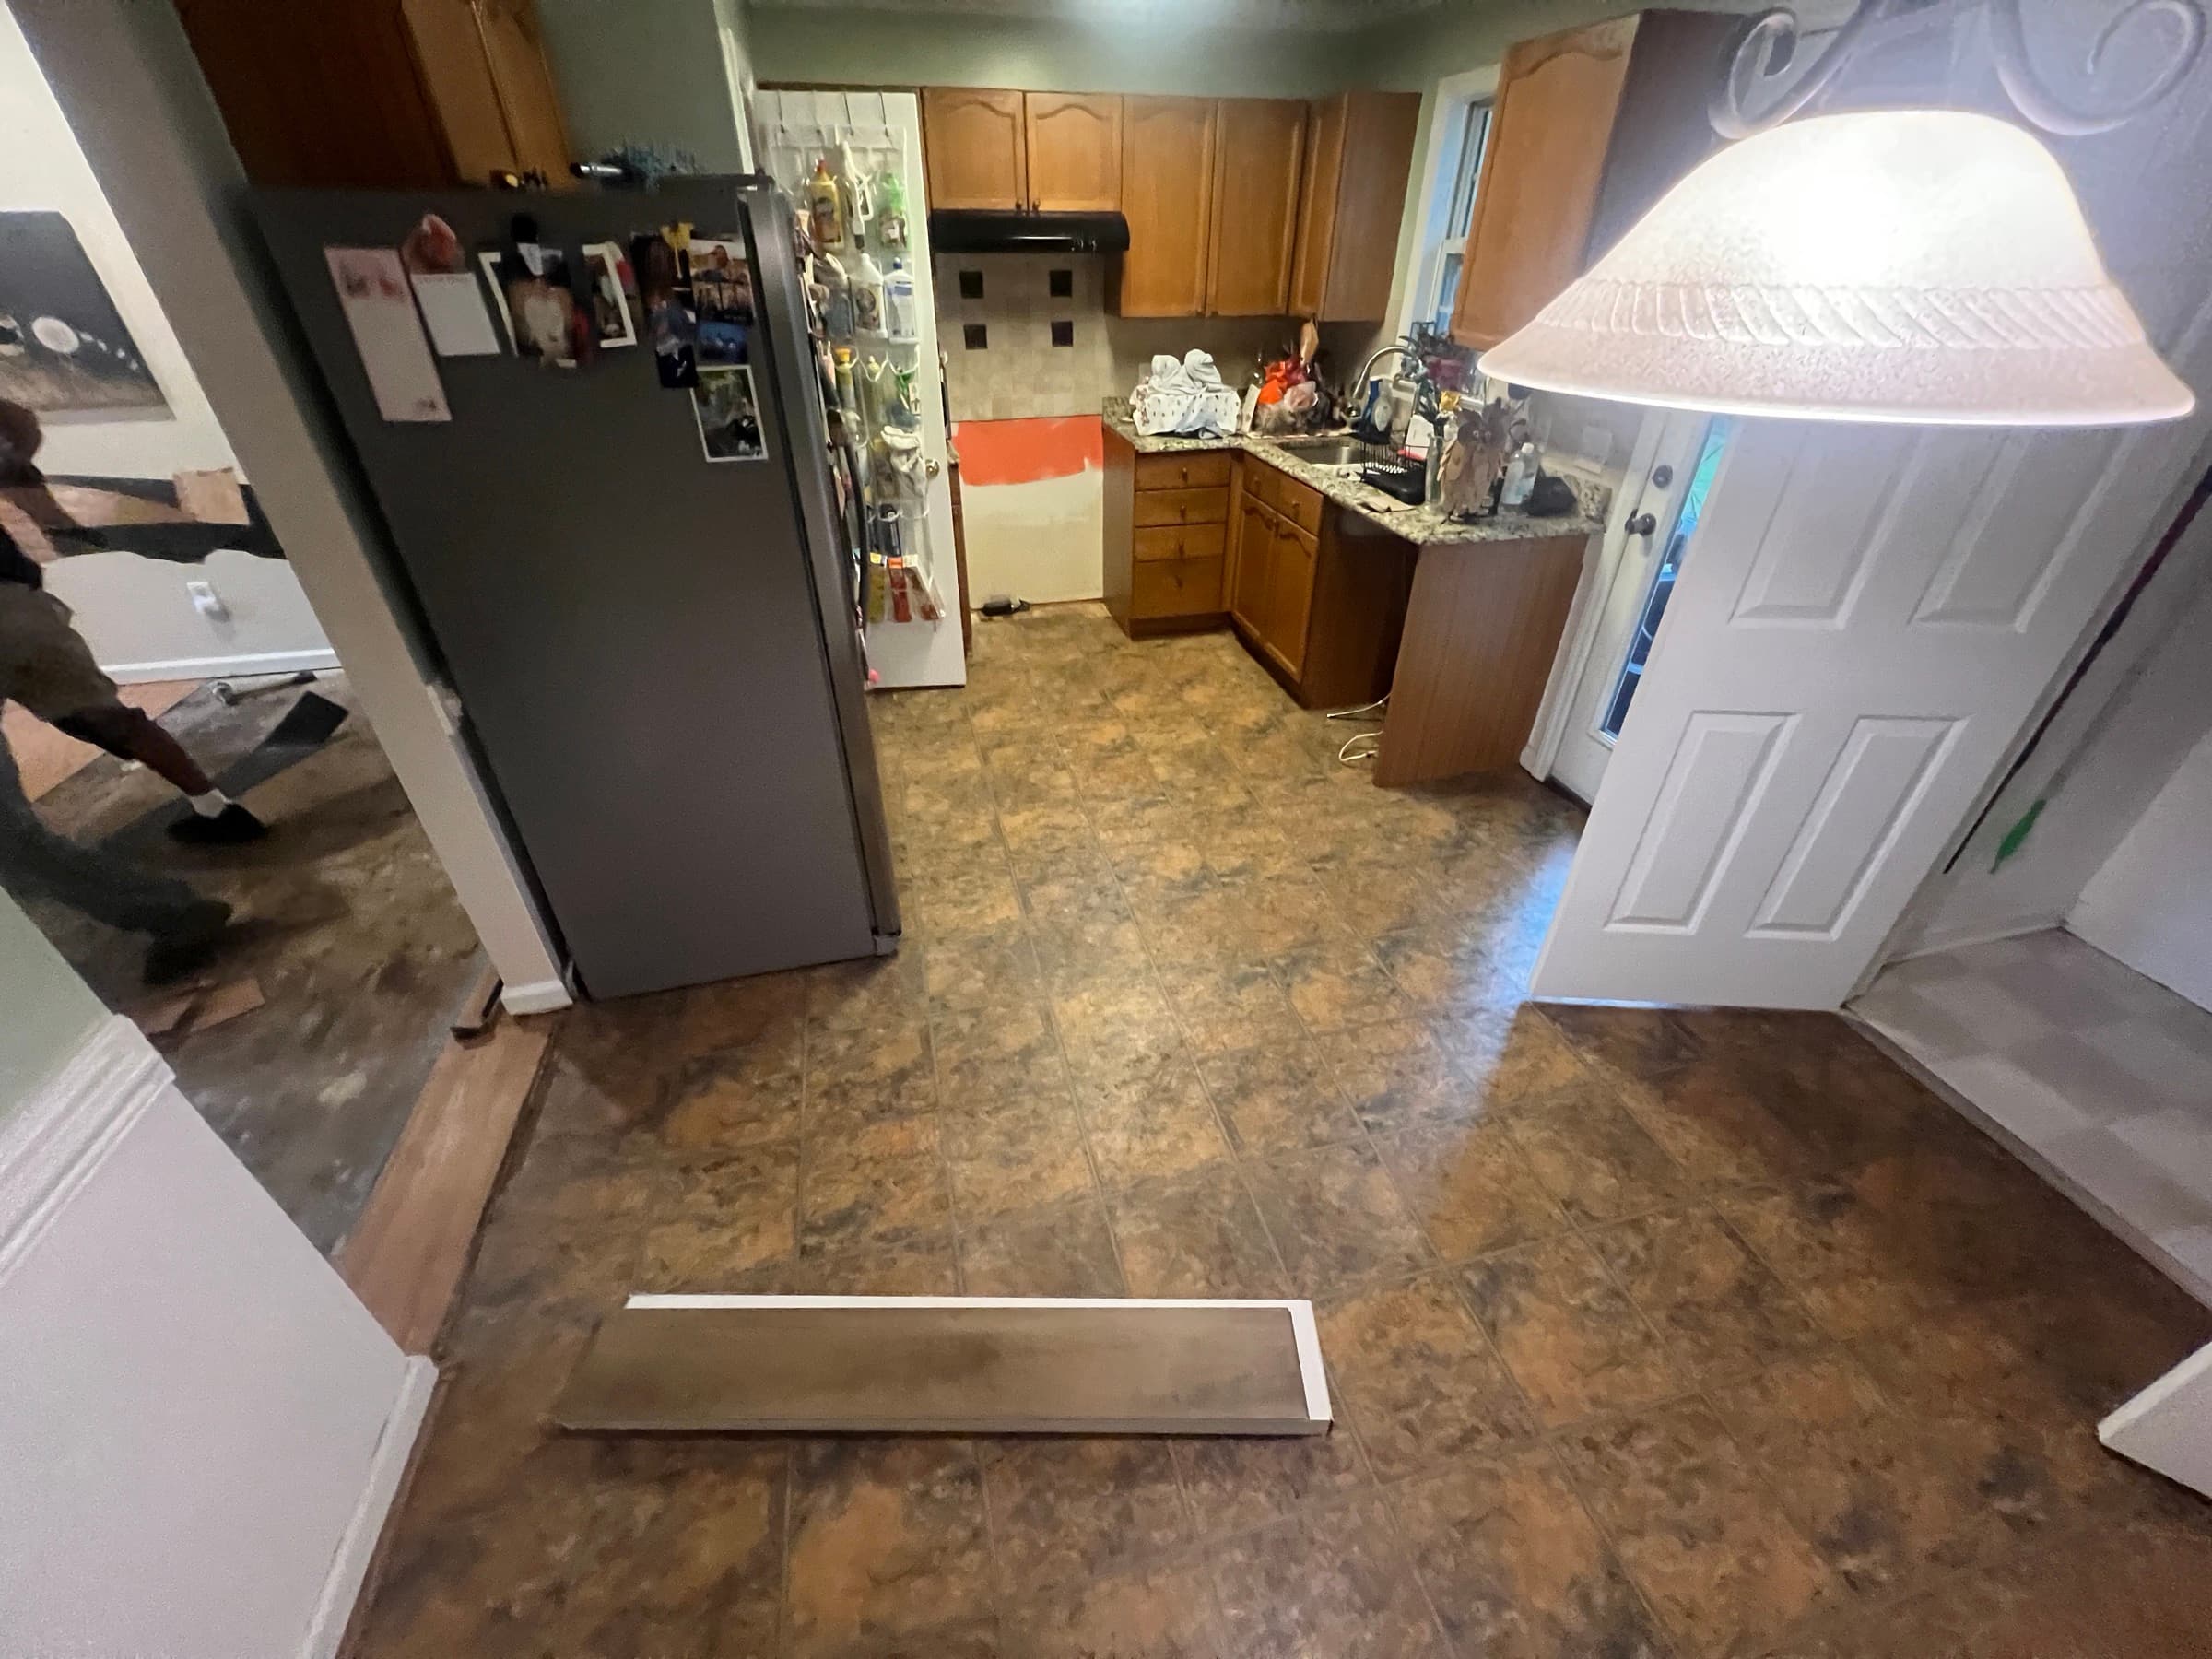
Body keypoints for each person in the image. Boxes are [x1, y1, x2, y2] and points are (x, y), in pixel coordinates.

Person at [0, 396, 265, 844]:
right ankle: (215, 810)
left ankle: (31, 864)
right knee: (107, 718)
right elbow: (45, 506)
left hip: (16, 611)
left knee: (92, 722)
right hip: (22, 612)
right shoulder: (10, 455)